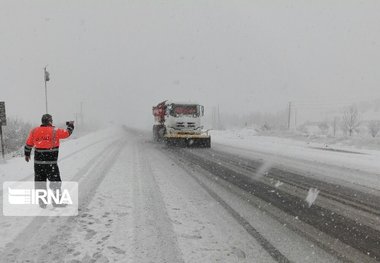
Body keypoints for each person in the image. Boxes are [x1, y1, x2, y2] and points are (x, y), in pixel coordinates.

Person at [24, 114, 74, 208]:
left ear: (42, 121)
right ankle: (56, 202)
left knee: (40, 183)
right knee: (55, 183)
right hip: (51, 164)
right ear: (50, 121)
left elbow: (28, 144)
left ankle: (42, 203)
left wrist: (27, 154)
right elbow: (67, 133)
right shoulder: (55, 131)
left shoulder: (34, 131)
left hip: (38, 164)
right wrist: (70, 125)